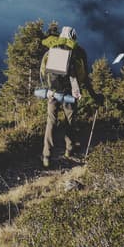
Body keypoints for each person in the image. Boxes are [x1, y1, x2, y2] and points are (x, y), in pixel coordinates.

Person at [40, 26, 93, 168]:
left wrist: (48, 89)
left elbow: (43, 72)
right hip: (69, 92)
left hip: (52, 92)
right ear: (74, 37)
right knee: (70, 120)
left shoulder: (51, 49)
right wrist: (93, 95)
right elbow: (84, 76)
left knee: (51, 121)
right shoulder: (78, 52)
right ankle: (69, 149)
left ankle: (46, 155)